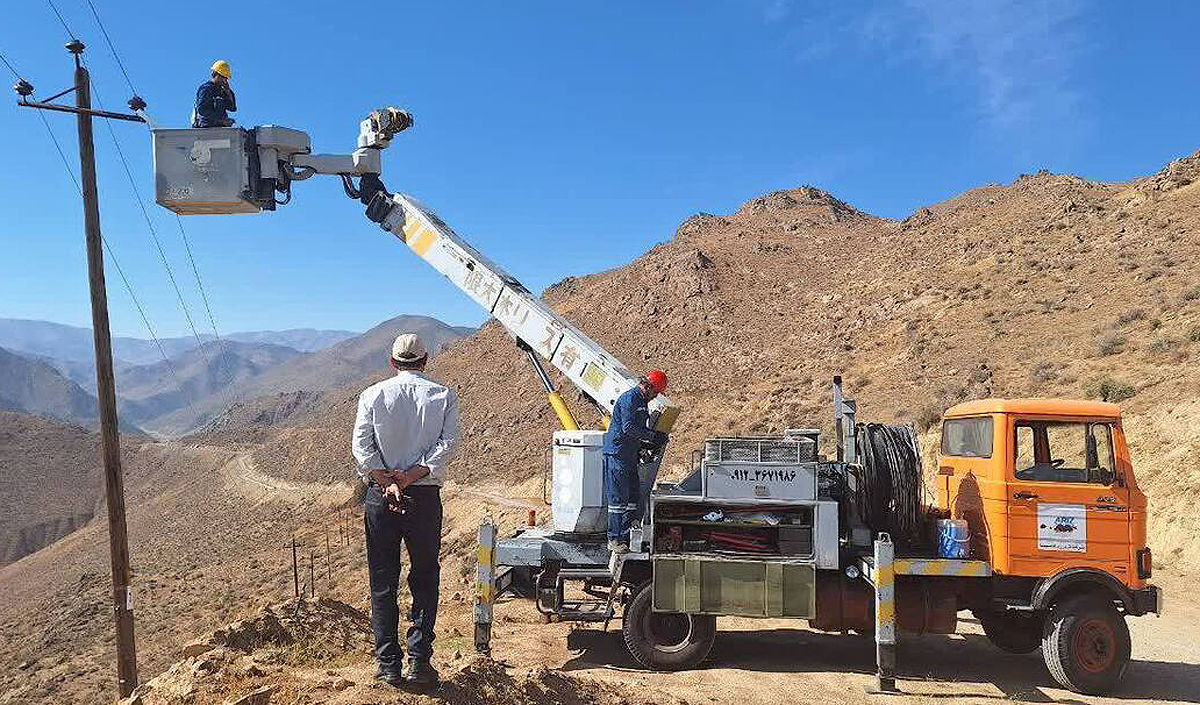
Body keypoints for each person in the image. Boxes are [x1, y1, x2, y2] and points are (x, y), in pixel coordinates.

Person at [352, 333, 459, 688]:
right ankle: (419, 661)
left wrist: (387, 480)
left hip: (382, 498)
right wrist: (413, 474)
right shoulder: (443, 395)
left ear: (393, 362)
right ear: (426, 360)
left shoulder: (373, 394)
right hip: (424, 496)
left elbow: (361, 446)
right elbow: (448, 444)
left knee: (383, 580)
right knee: (425, 576)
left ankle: (387, 665)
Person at [602, 369, 668, 556]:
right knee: (618, 499)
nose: (655, 396)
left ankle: (627, 533)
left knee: (632, 497)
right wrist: (652, 437)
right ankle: (614, 539)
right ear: (647, 386)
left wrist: (649, 440)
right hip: (617, 454)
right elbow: (629, 427)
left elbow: (636, 429)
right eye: (655, 392)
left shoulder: (641, 401)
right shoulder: (630, 399)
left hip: (629, 454)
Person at [192, 60, 237, 128]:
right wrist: (221, 121)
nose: (224, 80)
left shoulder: (221, 90)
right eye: (223, 77)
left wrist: (228, 92)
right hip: (205, 128)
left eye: (226, 78)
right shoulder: (206, 89)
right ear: (215, 74)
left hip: (218, 127)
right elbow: (202, 110)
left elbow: (232, 108)